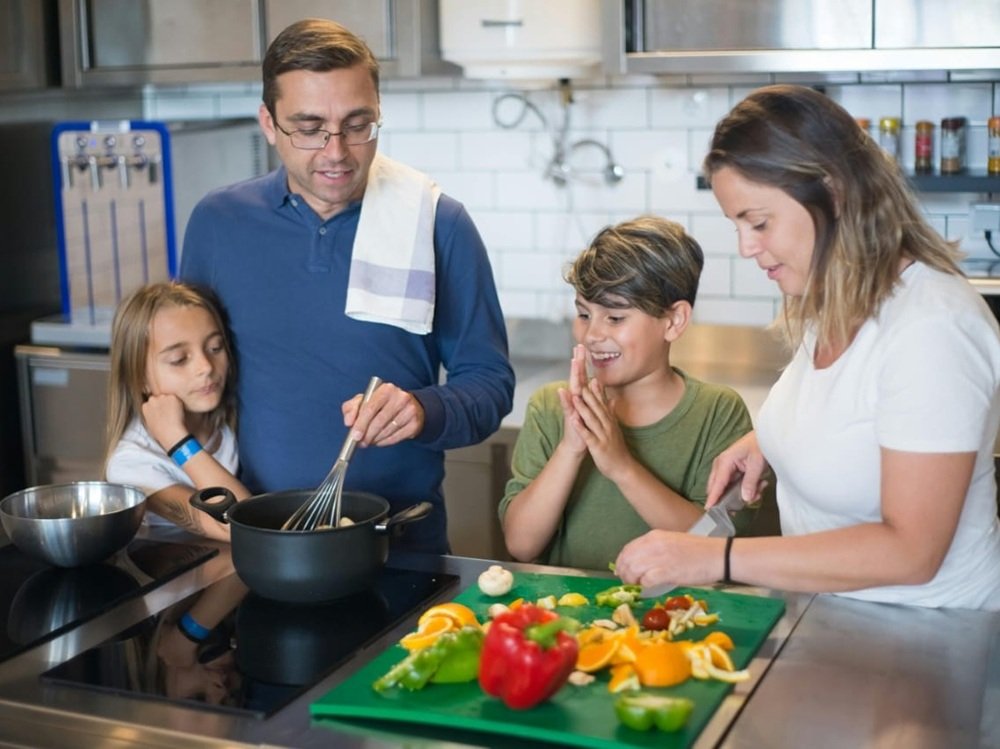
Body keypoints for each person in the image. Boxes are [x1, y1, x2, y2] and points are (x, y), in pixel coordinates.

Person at [615, 85, 1000, 610]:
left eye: (759, 222)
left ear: (833, 192)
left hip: (931, 638)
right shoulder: (837, 298)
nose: (747, 247)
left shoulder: (933, 328)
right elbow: (849, 412)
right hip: (840, 622)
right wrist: (769, 441)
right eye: (737, 225)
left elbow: (912, 550)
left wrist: (716, 558)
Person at [180, 18, 513, 553]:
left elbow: (491, 384)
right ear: (268, 122)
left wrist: (424, 409)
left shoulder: (437, 223)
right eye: (309, 128)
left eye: (358, 125)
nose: (336, 152)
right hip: (255, 543)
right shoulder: (218, 223)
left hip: (401, 546)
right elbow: (185, 377)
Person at [499, 216, 755, 570]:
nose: (591, 335)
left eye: (615, 318)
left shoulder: (717, 412)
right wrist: (570, 449)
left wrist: (620, 466)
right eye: (583, 314)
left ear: (674, 321)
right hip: (567, 615)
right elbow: (521, 545)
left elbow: (712, 546)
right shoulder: (551, 406)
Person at [104, 281, 250, 541]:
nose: (206, 366)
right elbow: (241, 525)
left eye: (215, 348)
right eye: (179, 359)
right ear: (139, 379)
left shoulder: (225, 419)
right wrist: (177, 441)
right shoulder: (131, 462)